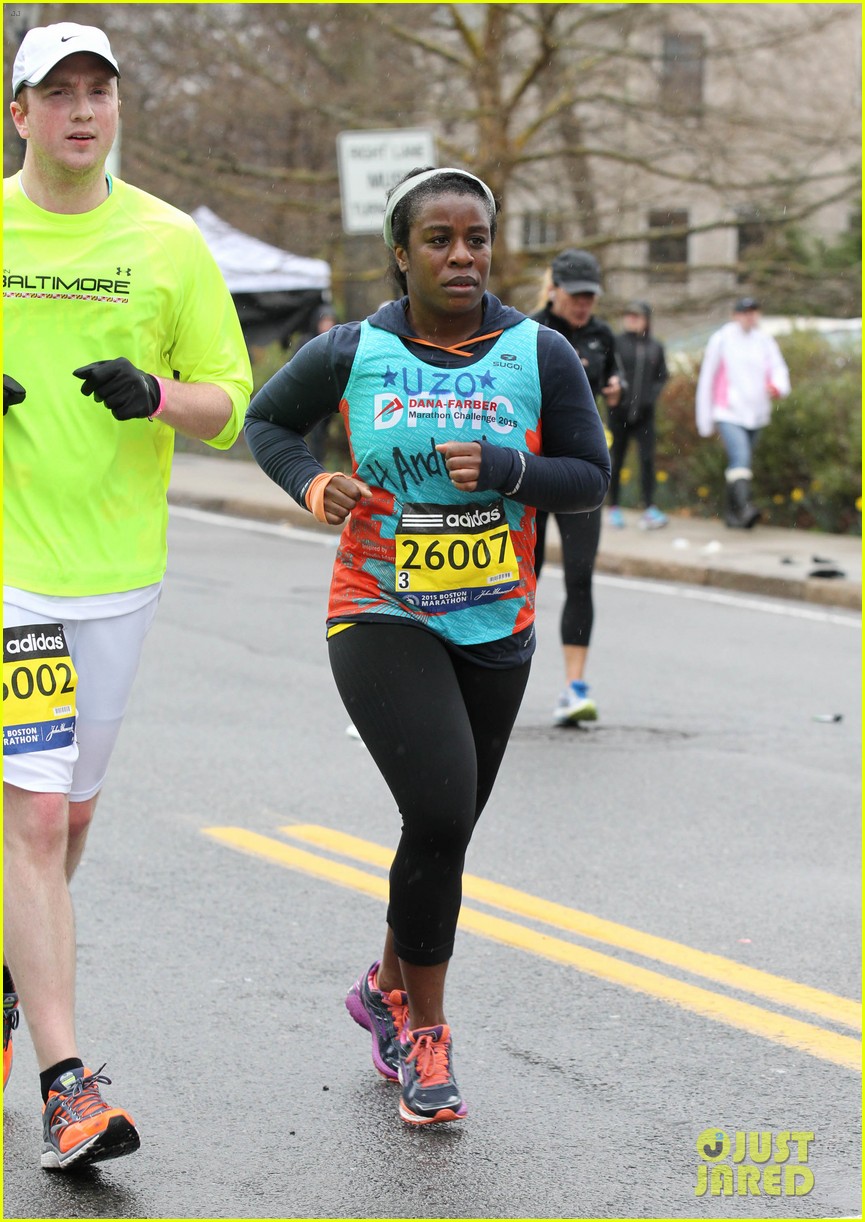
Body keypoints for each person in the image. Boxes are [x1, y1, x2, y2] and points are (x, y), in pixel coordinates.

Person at [245, 167, 610, 1126]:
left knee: (440, 830)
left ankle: (382, 986)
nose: (462, 256)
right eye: (439, 240)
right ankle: (426, 1039)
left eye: (476, 239)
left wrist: (512, 469)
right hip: (380, 607)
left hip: (498, 621)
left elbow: (588, 478)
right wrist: (310, 483)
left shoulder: (540, 352)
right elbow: (269, 423)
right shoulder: (354, 349)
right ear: (400, 254)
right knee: (442, 808)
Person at [3, 22, 252, 1170]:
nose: (82, 111)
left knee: (73, 818)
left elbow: (232, 403)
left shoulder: (167, 240)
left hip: (118, 573)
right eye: (58, 93)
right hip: (12, 571)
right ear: (20, 115)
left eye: (99, 91)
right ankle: (68, 1082)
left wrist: (156, 392)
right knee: (36, 815)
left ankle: (15, 972)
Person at [530, 249, 621, 725]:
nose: (585, 304)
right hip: (533, 471)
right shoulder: (528, 333)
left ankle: (573, 687)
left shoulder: (603, 335)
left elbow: (613, 382)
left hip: (582, 473)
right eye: (577, 295)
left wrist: (615, 390)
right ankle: (495, 674)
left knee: (580, 577)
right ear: (555, 290)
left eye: (591, 296)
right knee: (525, 574)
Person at [695, 296, 790, 528]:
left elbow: (778, 368)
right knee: (741, 457)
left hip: (756, 412)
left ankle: (731, 514)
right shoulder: (722, 339)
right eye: (745, 312)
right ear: (735, 315)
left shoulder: (764, 341)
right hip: (728, 411)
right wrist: (704, 418)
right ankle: (745, 508)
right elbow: (708, 377)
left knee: (740, 464)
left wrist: (778, 386)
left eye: (753, 312)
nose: (749, 317)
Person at [607, 301, 670, 530]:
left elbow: (662, 376)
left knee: (646, 459)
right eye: (629, 315)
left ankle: (649, 507)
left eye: (637, 316)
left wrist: (649, 398)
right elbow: (607, 372)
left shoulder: (655, 346)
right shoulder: (616, 343)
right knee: (616, 459)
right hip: (618, 413)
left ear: (646, 320)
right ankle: (613, 507)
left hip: (645, 414)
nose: (632, 319)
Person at [297, 303, 338, 464]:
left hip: (330, 396)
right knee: (314, 432)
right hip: (310, 395)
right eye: (324, 321)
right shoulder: (306, 342)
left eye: (330, 321)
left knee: (322, 433)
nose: (327, 325)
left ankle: (317, 463)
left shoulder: (339, 343)